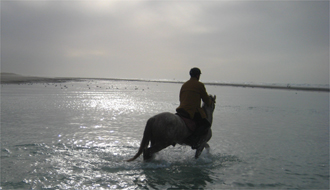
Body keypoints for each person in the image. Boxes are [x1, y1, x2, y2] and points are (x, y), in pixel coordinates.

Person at [176, 67, 212, 149]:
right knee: (206, 124)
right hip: (191, 112)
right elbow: (206, 100)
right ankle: (195, 140)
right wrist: (210, 102)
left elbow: (180, 98)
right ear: (197, 75)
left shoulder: (184, 85)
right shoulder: (199, 85)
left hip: (181, 109)